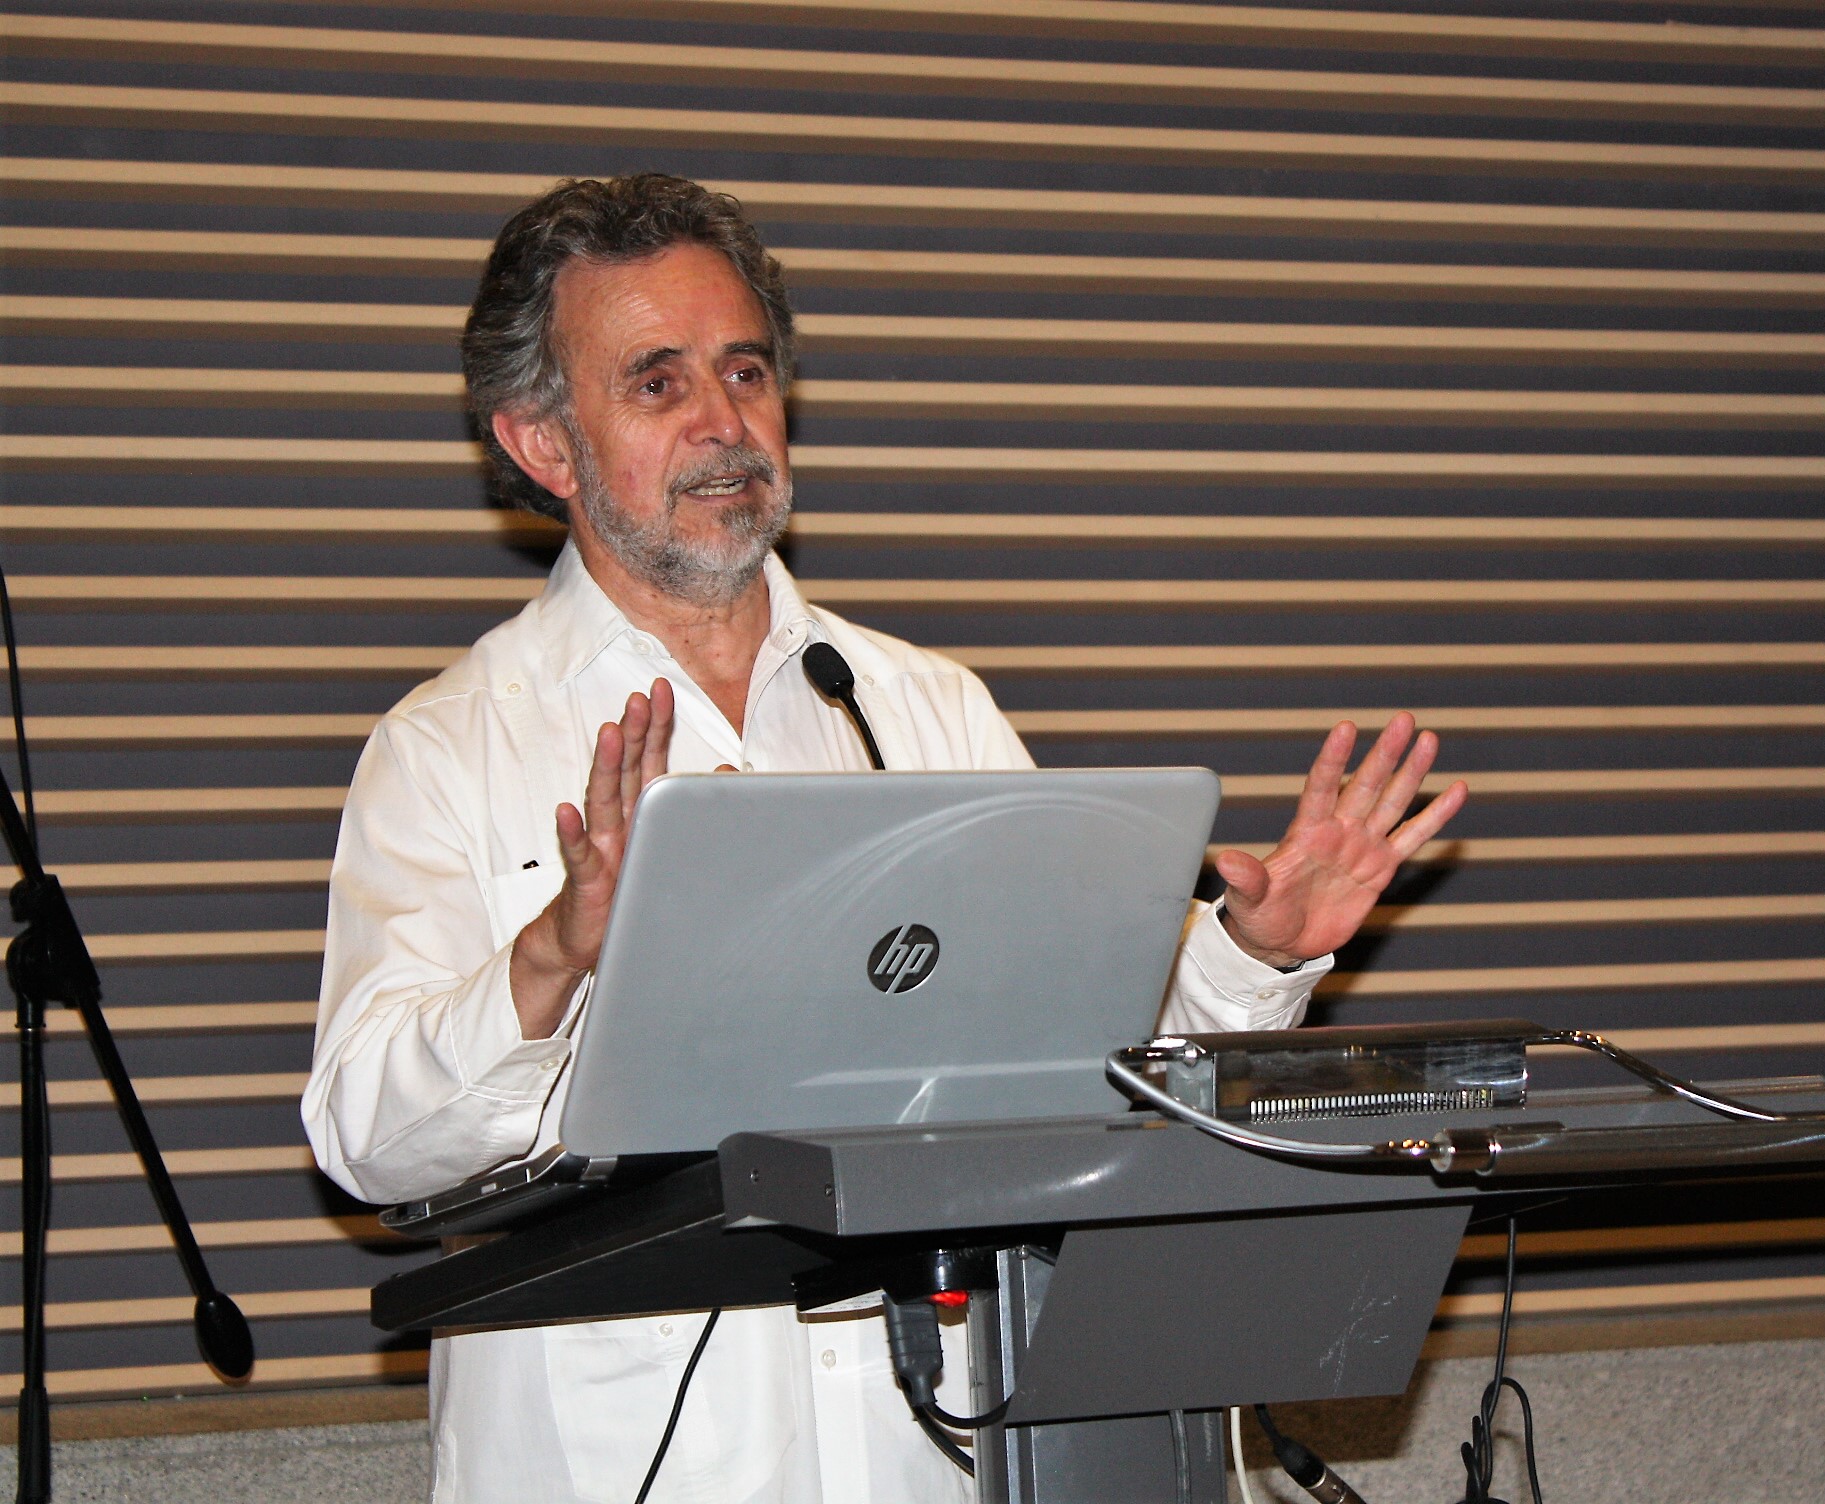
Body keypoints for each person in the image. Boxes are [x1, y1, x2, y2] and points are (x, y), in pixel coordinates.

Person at [302, 173, 1467, 1504]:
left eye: (746, 370)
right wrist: (551, 957)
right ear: (544, 446)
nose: (724, 421)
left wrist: (1254, 953)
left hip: (939, 1456)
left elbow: (1095, 1062)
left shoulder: (925, 708)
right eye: (657, 383)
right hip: (621, 1468)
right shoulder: (451, 745)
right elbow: (364, 1135)